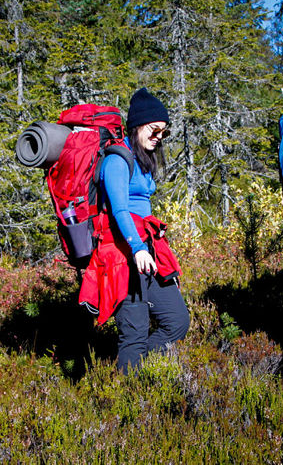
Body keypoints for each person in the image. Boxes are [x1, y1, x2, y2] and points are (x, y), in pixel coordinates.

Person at [99, 87, 189, 373]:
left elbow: (144, 212)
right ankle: (128, 402)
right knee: (134, 335)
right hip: (123, 257)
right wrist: (137, 248)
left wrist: (159, 258)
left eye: (163, 132)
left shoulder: (144, 161)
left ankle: (141, 373)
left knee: (177, 321)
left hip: (148, 253)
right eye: (153, 130)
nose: (158, 137)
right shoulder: (116, 160)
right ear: (137, 125)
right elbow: (120, 210)